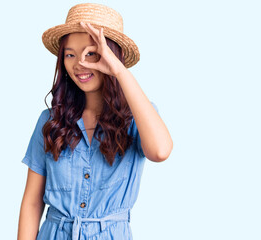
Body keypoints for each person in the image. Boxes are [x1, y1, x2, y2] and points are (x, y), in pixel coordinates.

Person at [17, 3, 173, 240]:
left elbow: (160, 151)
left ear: (111, 56)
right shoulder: (49, 120)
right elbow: (32, 202)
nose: (79, 63)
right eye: (70, 54)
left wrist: (120, 72)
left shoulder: (137, 118)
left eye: (91, 53)